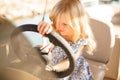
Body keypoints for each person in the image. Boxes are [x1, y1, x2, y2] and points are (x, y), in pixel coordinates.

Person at [37, 0, 96, 80]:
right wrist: (45, 27)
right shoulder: (57, 28)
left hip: (73, 71)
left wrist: (53, 68)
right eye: (57, 22)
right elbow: (49, 28)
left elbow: (69, 61)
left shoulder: (80, 40)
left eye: (65, 24)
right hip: (54, 66)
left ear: (77, 23)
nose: (59, 27)